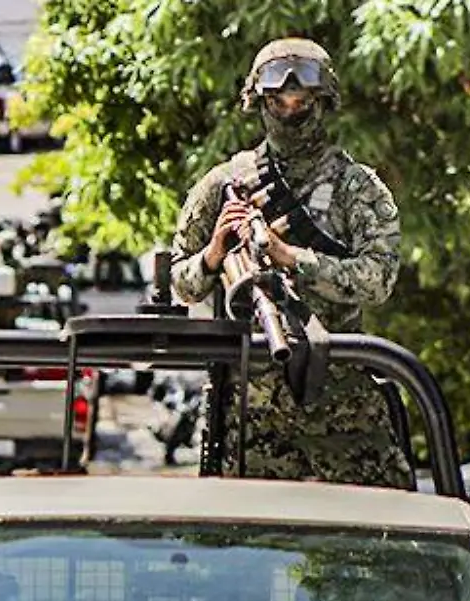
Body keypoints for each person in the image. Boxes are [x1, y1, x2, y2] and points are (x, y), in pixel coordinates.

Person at [168, 37, 411, 490]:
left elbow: (378, 280)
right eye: (277, 100)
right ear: (258, 102)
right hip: (250, 411)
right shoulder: (225, 184)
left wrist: (293, 259)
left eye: (302, 101)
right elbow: (181, 284)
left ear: (323, 102)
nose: (290, 110)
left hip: (340, 402)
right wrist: (214, 253)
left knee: (377, 538)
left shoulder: (354, 187)